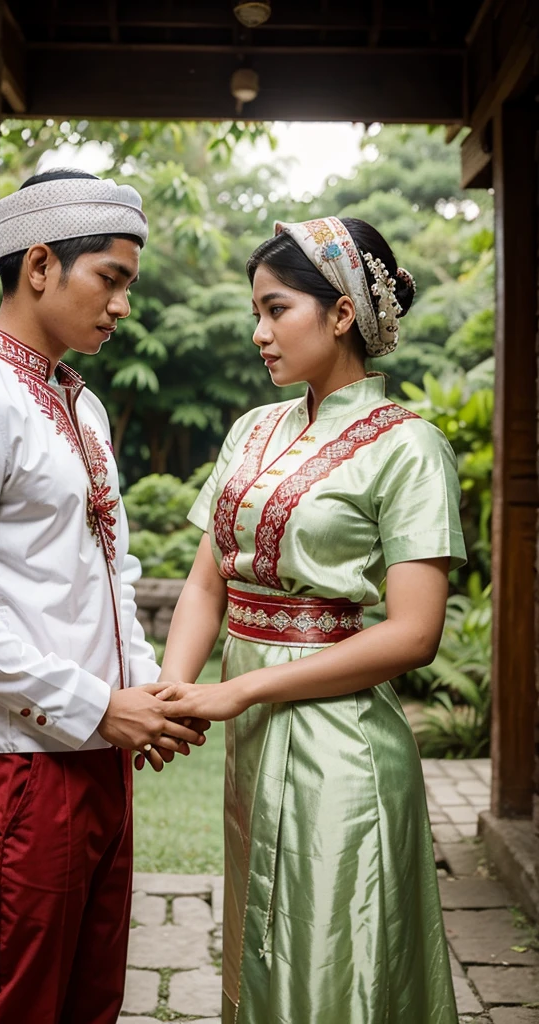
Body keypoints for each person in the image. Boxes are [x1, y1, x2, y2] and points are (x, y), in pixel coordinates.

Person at [0, 168, 206, 1024]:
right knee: (16, 1007)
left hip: (96, 756)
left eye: (127, 286)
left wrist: (139, 692)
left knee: (90, 1000)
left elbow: (114, 567)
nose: (122, 305)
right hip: (18, 770)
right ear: (39, 266)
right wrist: (94, 704)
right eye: (111, 278)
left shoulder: (83, 407)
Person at [154, 216, 464, 1023]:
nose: (259, 332)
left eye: (276, 308)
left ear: (340, 314)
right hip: (252, 738)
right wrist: (172, 690)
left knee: (332, 956)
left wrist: (244, 689)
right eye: (254, 312)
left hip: (342, 742)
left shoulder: (408, 447)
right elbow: (207, 583)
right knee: (261, 957)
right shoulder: (251, 431)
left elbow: (413, 633)